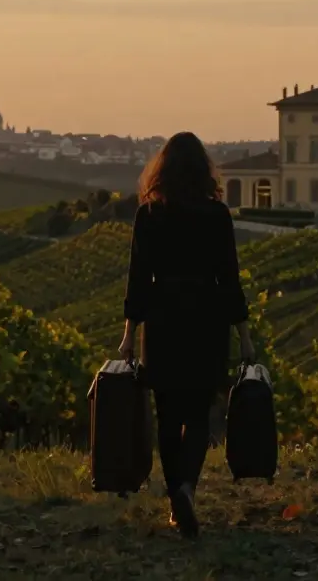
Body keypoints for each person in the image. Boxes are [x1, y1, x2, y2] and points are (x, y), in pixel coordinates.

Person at [119, 131, 255, 539]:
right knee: (199, 414)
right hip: (206, 320)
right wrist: (244, 336)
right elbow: (229, 280)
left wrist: (129, 335)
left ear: (162, 168)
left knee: (167, 412)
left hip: (163, 320)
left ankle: (176, 503)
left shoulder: (149, 214)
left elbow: (138, 281)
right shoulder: (217, 216)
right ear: (203, 170)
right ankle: (186, 489)